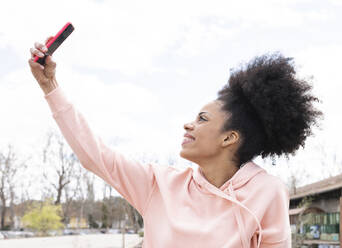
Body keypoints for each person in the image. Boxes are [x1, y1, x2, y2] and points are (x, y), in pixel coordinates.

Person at [28, 38, 322, 247]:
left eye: (203, 119)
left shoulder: (267, 192)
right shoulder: (158, 184)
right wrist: (50, 86)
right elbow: (95, 155)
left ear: (229, 138)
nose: (188, 124)